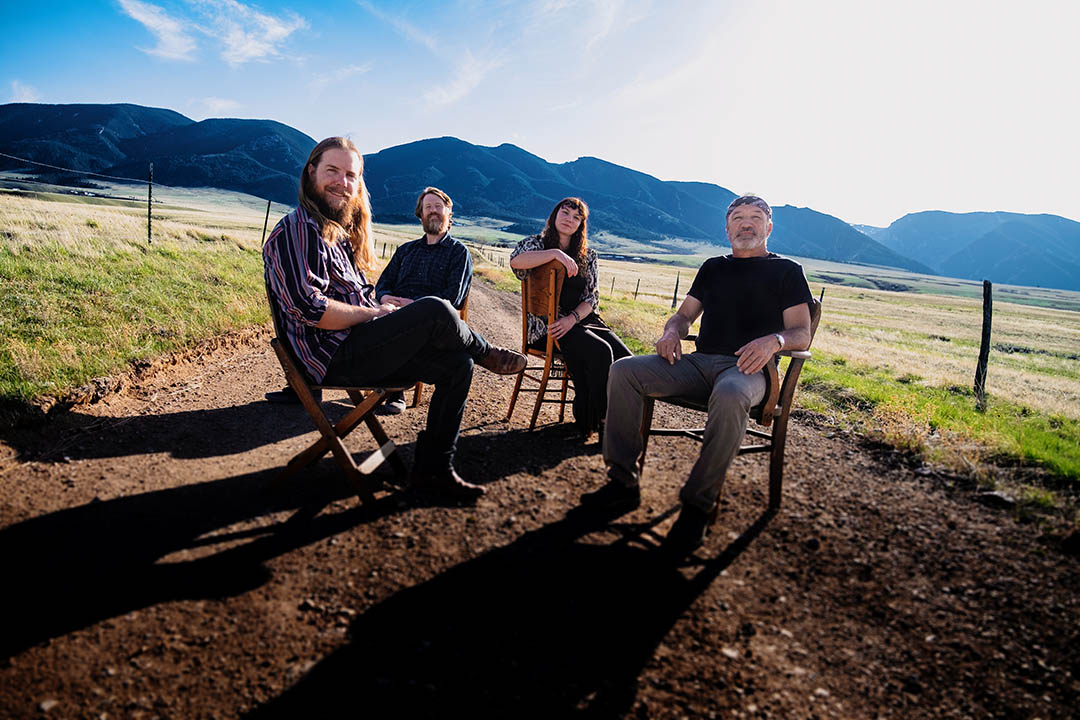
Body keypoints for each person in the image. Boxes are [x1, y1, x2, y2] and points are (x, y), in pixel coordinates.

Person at [263, 137, 526, 499]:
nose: (343, 182)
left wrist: (386, 313)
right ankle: (487, 353)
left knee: (457, 363)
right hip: (329, 355)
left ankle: (434, 471)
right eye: (332, 171)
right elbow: (312, 310)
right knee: (435, 309)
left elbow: (365, 293)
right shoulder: (296, 229)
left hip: (358, 342)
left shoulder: (334, 235)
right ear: (310, 173)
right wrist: (378, 310)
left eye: (351, 175)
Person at [580, 195, 813, 554]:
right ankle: (622, 483)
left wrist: (774, 341)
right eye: (737, 217)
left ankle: (697, 507)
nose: (745, 224)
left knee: (732, 393)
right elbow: (684, 315)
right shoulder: (712, 267)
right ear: (726, 228)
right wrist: (672, 331)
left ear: (769, 227)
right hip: (699, 363)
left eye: (755, 217)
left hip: (750, 369)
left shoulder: (787, 271)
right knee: (624, 370)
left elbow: (801, 333)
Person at [509, 197, 631, 439]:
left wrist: (573, 319)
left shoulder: (589, 256)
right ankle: (603, 420)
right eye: (565, 213)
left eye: (577, 217)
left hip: (578, 320)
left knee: (627, 360)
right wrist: (555, 254)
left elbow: (592, 299)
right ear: (555, 215)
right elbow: (516, 263)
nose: (569, 220)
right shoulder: (535, 244)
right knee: (600, 352)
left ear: (581, 225)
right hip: (547, 325)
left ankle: (609, 415)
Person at [371, 186, 472, 415]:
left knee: (402, 326)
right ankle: (370, 380)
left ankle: (394, 391)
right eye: (428, 207)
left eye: (438, 206)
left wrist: (413, 304)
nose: (433, 211)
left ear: (448, 213)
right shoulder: (406, 250)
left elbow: (452, 298)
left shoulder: (459, 253)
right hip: (394, 310)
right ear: (421, 215)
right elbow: (383, 283)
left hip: (431, 318)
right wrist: (386, 297)